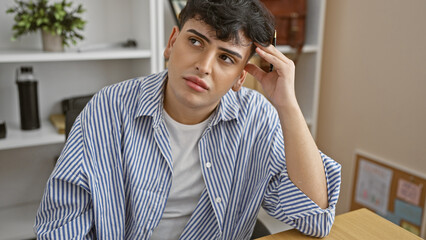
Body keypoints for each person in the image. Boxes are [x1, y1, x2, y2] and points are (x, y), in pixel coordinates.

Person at [34, 0, 341, 239]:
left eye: (226, 58)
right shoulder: (108, 108)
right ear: (172, 42)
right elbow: (60, 225)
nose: (204, 66)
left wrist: (288, 106)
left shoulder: (257, 119)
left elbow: (314, 218)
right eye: (195, 42)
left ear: (240, 76)